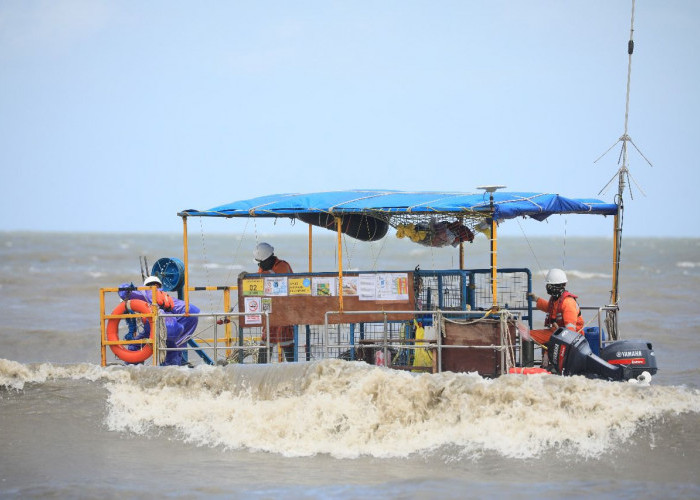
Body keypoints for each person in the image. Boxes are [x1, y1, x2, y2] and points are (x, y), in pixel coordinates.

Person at [118, 276, 200, 366]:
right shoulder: (163, 295)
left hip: (166, 322)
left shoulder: (145, 292)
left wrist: (131, 288)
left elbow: (123, 290)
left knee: (135, 345)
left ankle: (132, 369)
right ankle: (177, 366)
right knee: (177, 343)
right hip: (189, 313)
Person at [253, 242, 295, 362]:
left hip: (284, 312)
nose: (259, 265)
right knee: (265, 342)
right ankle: (261, 370)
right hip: (270, 312)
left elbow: (275, 276)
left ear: (268, 258)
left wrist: (253, 276)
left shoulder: (282, 266)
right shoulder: (264, 267)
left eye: (261, 262)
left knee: (287, 342)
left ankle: (294, 370)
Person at [527, 268, 584, 345]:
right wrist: (537, 299)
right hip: (557, 332)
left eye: (549, 285)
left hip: (569, 338)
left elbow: (571, 332)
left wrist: (559, 332)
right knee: (527, 334)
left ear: (555, 286)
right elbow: (551, 309)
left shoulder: (568, 303)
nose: (547, 287)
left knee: (526, 335)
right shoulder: (556, 298)